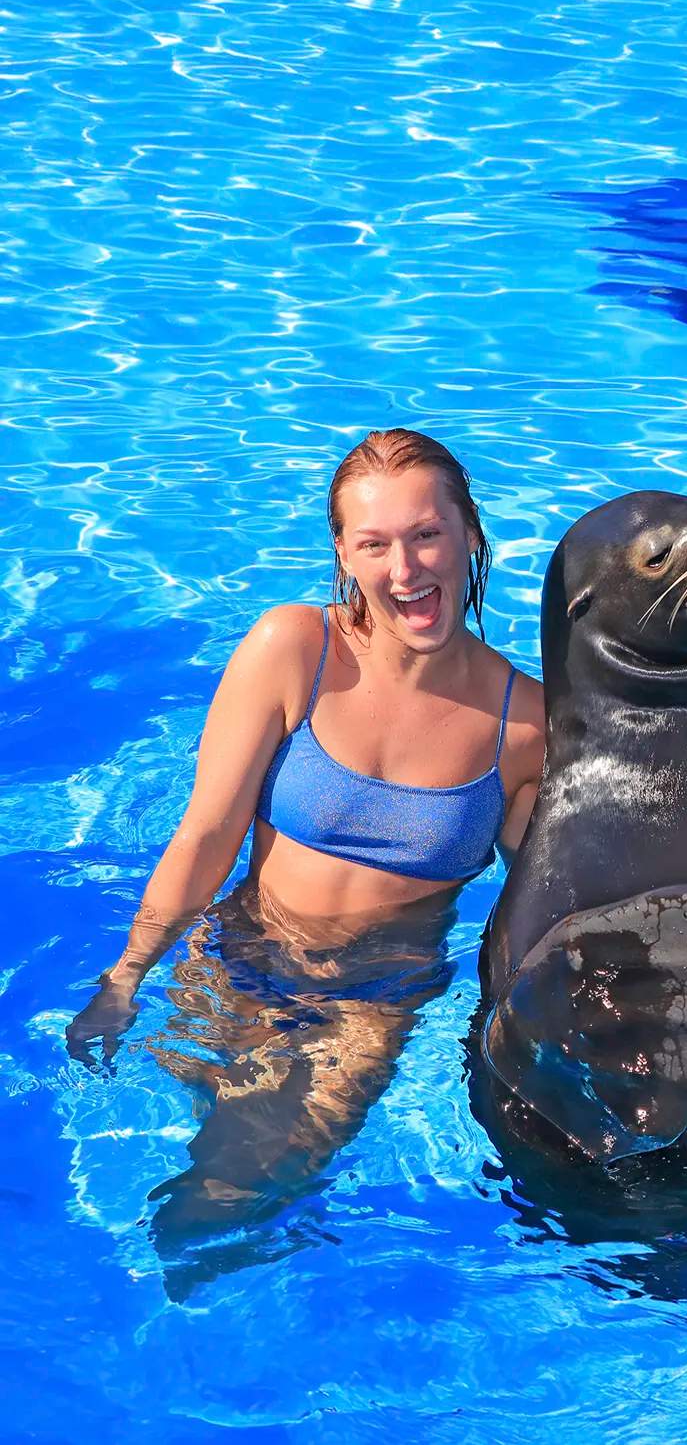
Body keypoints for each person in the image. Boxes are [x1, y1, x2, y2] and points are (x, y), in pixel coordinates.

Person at [65, 429, 546, 1251]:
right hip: (235, 955)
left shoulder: (524, 724)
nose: (407, 571)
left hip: (369, 1001)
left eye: (428, 535)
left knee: (232, 1196)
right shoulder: (293, 649)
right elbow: (209, 833)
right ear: (345, 555)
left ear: (471, 534)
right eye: (376, 545)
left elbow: (543, 911)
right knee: (199, 1144)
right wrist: (125, 976)